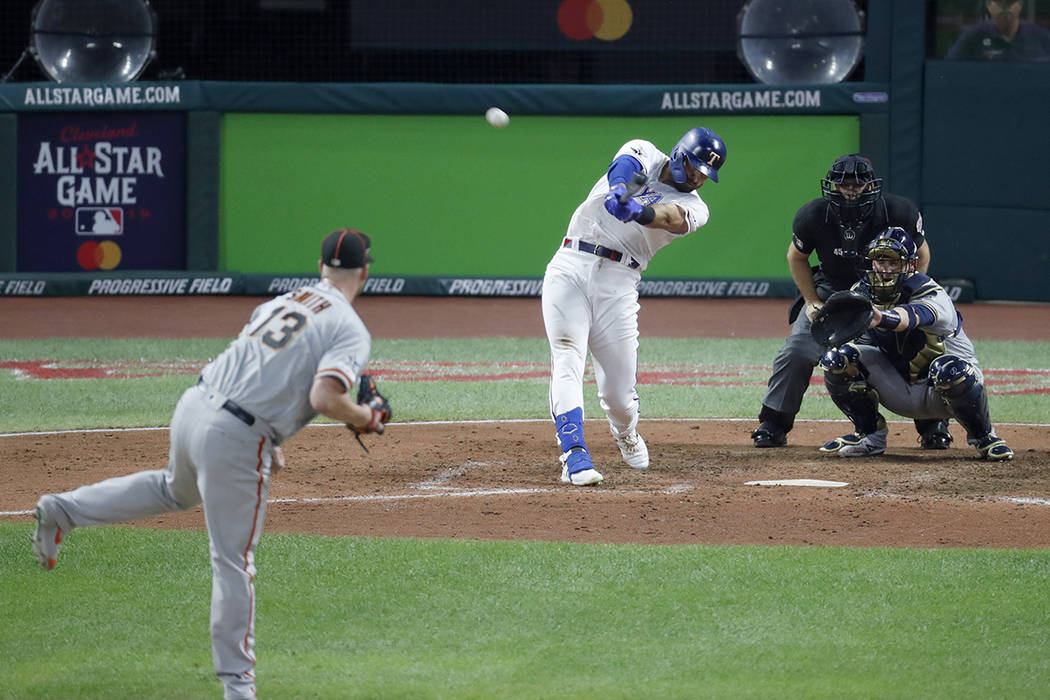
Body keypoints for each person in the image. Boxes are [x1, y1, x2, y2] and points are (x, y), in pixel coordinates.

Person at [31, 228, 392, 700]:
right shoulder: (349, 326)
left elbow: (259, 363)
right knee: (232, 562)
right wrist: (365, 418)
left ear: (320, 266)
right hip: (234, 435)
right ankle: (239, 688)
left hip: (196, 404)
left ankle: (63, 510)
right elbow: (325, 396)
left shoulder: (286, 300)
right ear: (365, 272)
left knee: (172, 489)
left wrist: (271, 436)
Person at [541, 127, 726, 486]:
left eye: (705, 175)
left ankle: (625, 432)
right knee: (567, 355)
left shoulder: (696, 208)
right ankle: (574, 454)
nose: (697, 178)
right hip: (570, 265)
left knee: (619, 396)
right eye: (694, 167)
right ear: (679, 154)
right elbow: (624, 165)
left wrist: (637, 211)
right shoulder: (646, 150)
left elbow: (670, 217)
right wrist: (619, 191)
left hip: (619, 282)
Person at [750, 154, 953, 450]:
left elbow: (922, 255)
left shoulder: (899, 211)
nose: (850, 190)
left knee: (915, 351)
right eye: (843, 184)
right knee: (796, 352)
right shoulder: (813, 215)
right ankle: (773, 423)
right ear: (831, 185)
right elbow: (796, 257)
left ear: (871, 185)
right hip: (832, 296)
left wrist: (907, 295)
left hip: (885, 294)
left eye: (857, 185)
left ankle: (933, 424)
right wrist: (810, 300)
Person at [817, 226, 1013, 461]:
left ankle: (984, 437)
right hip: (899, 388)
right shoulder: (861, 293)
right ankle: (870, 436)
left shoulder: (931, 292)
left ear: (909, 265)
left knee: (950, 370)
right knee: (837, 359)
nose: (885, 270)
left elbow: (913, 316)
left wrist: (879, 317)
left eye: (893, 263)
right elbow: (863, 349)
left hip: (946, 391)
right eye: (880, 262)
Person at [946, 0, 1050, 62]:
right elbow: (949, 70)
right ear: (989, 5)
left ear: (1020, 5)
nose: (1005, 9)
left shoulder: (1042, 38)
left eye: (1010, 2)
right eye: (999, 2)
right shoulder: (971, 38)